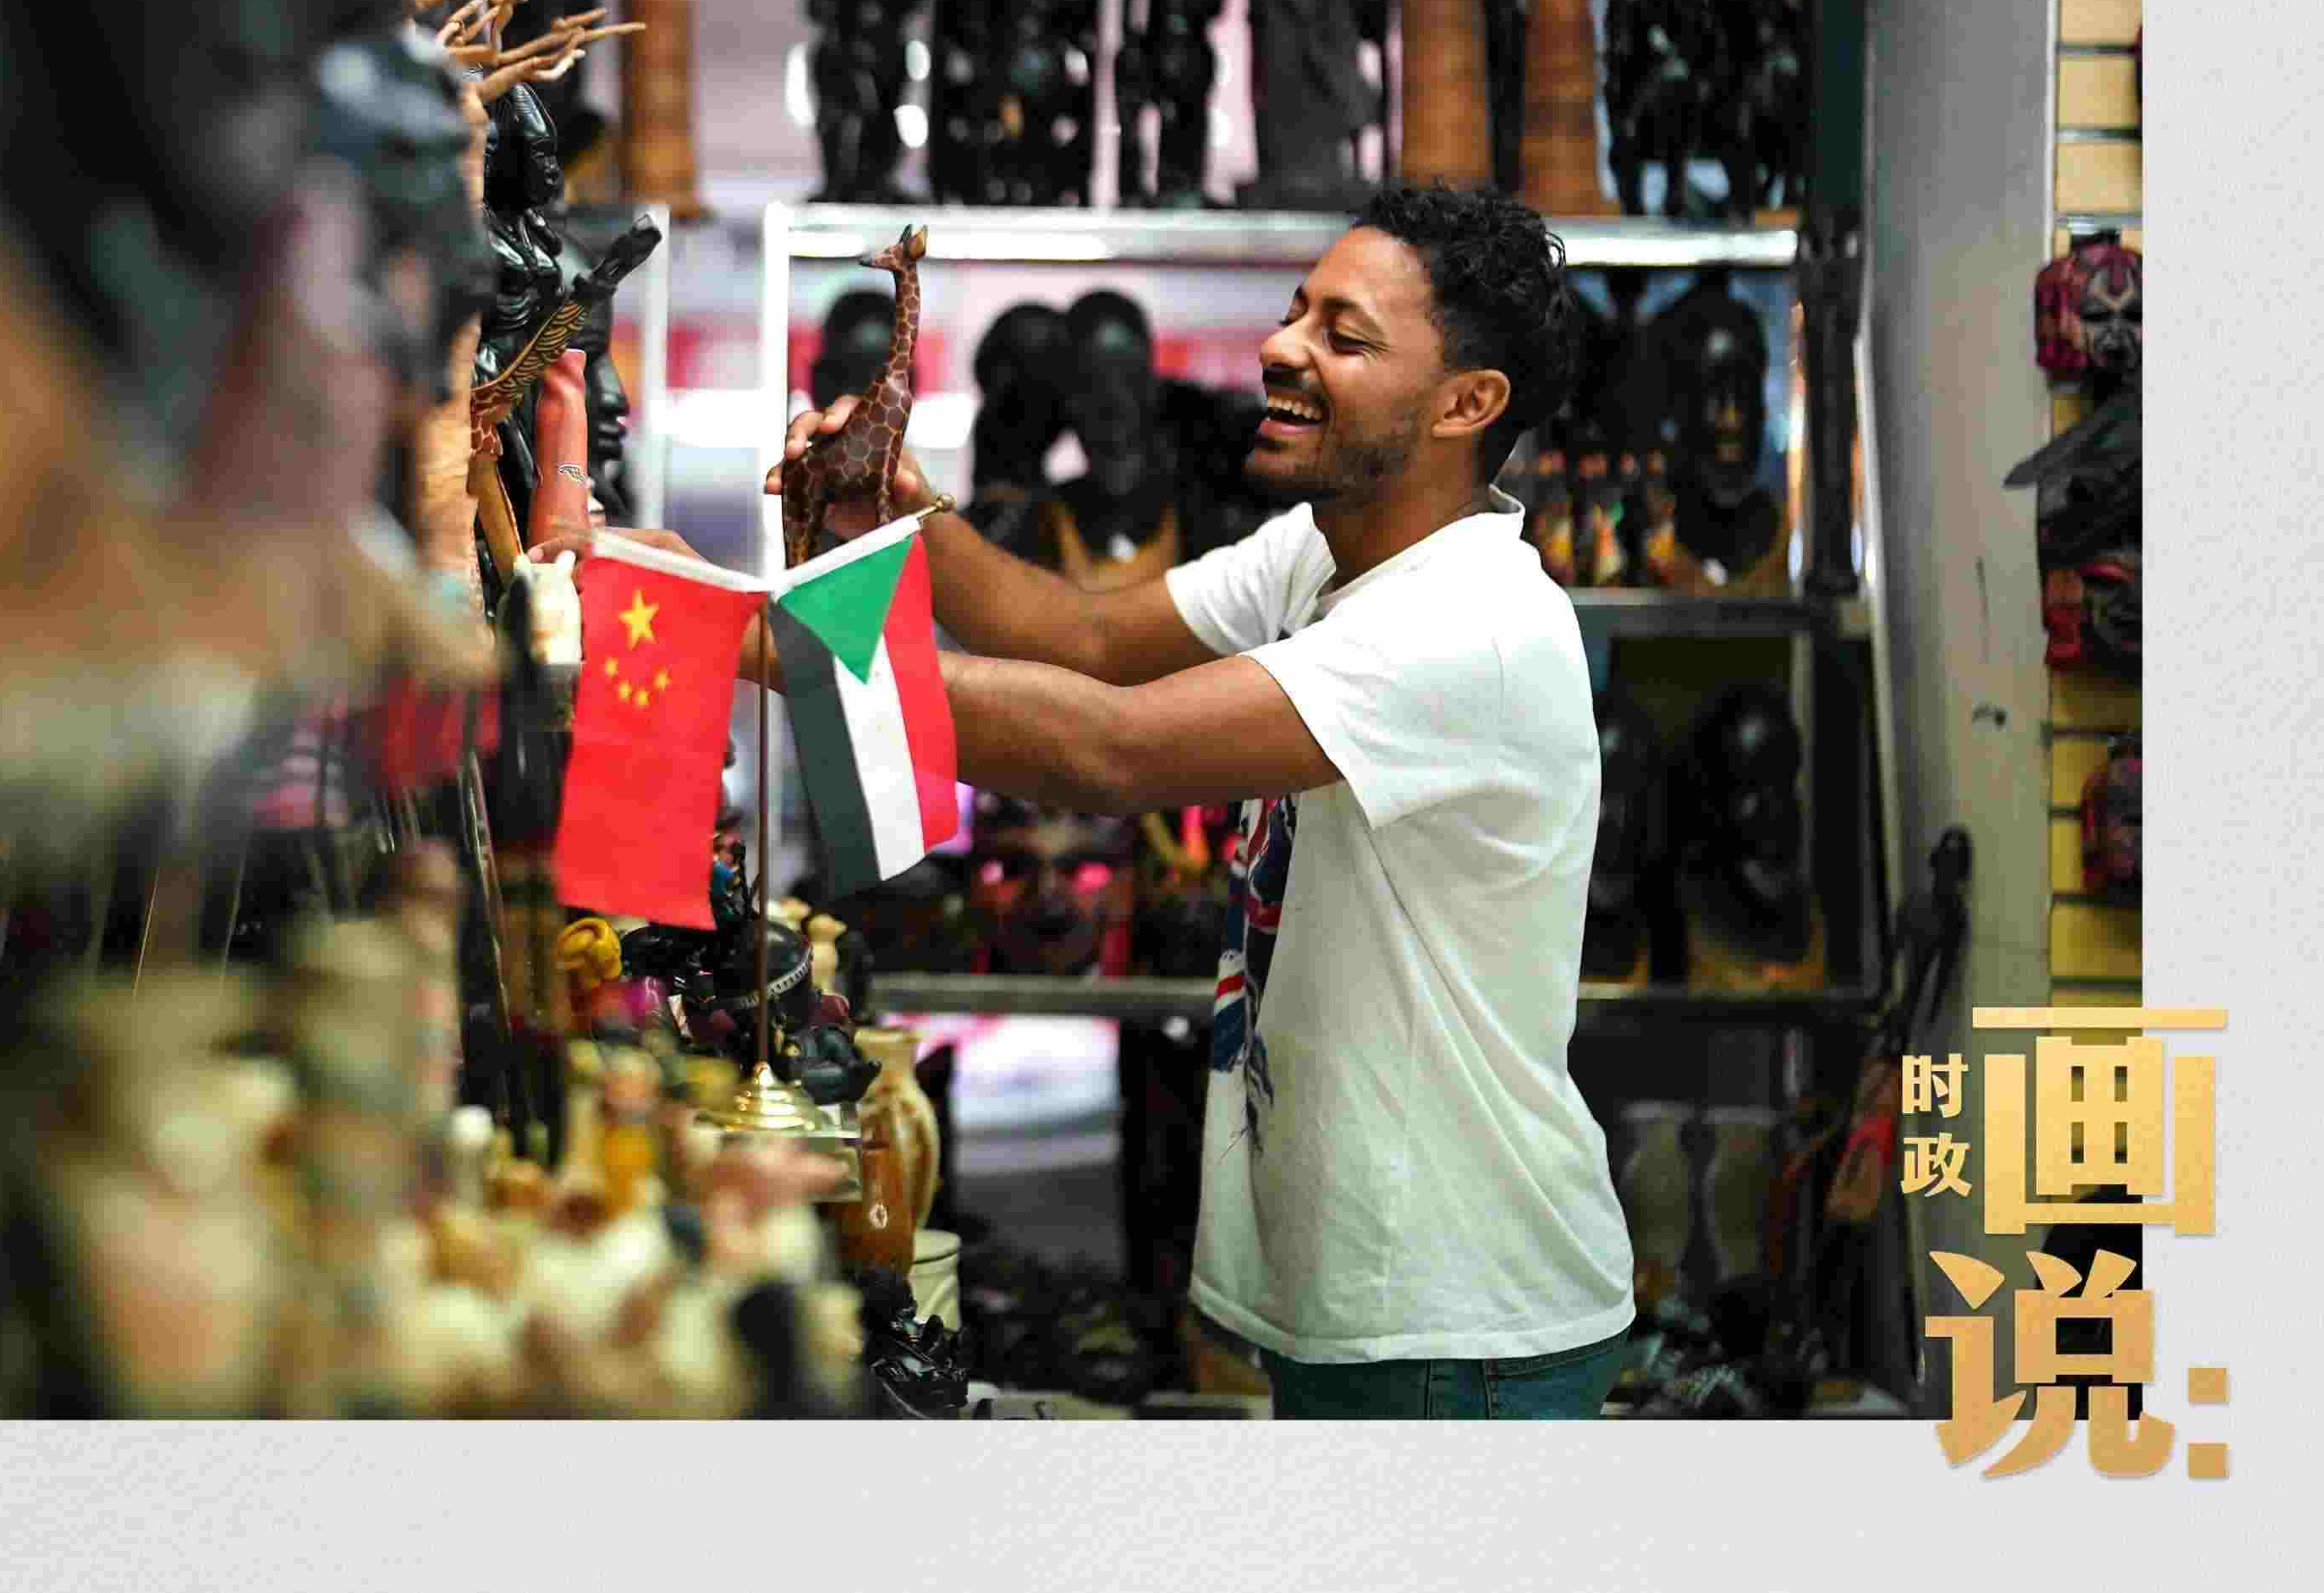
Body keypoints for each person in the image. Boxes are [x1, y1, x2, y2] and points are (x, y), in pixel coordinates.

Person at [602, 184, 1633, 1417]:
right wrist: (904, 509)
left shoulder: (1469, 624)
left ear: (1467, 403)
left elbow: (1111, 749)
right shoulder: (1325, 550)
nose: (1282, 346)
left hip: (1465, 1321)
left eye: (1345, 337)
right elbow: (1084, 637)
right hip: (1381, 1302)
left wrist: (743, 635)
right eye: (1297, 310)